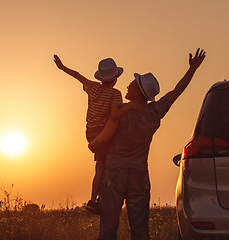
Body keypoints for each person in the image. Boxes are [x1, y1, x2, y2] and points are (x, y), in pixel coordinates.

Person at [88, 48, 206, 240]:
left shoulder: (118, 112)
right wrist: (192, 69)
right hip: (139, 175)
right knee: (140, 232)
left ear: (136, 91)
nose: (127, 85)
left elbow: (99, 139)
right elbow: (176, 91)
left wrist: (92, 144)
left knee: (107, 231)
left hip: (112, 175)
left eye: (132, 84)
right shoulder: (154, 113)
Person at [54, 55, 139, 214]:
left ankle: (97, 199)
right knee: (102, 166)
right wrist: (131, 106)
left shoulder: (92, 87)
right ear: (115, 79)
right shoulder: (115, 94)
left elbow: (77, 75)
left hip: (90, 132)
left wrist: (62, 67)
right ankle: (93, 200)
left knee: (102, 164)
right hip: (103, 132)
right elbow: (115, 113)